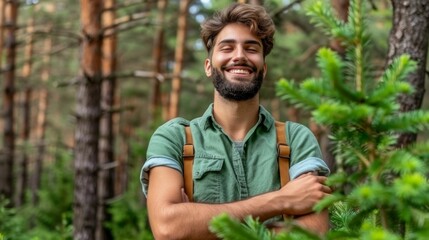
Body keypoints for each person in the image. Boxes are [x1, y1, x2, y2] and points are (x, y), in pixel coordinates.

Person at [141, 3, 332, 240]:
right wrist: (283, 200)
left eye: (251, 48)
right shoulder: (174, 138)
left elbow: (315, 232)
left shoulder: (296, 139)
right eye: (227, 47)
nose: (239, 56)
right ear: (209, 66)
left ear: (263, 69)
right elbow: (168, 228)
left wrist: (200, 225)